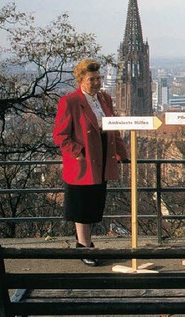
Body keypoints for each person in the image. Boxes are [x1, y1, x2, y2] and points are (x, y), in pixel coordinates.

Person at [53, 58, 128, 266]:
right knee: (82, 206)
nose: (96, 82)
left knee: (94, 205)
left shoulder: (104, 98)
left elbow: (114, 128)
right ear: (81, 80)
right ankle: (84, 247)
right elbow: (60, 135)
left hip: (102, 158)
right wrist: (78, 152)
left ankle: (86, 244)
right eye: (91, 79)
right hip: (83, 162)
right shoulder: (70, 102)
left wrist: (122, 153)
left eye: (98, 78)